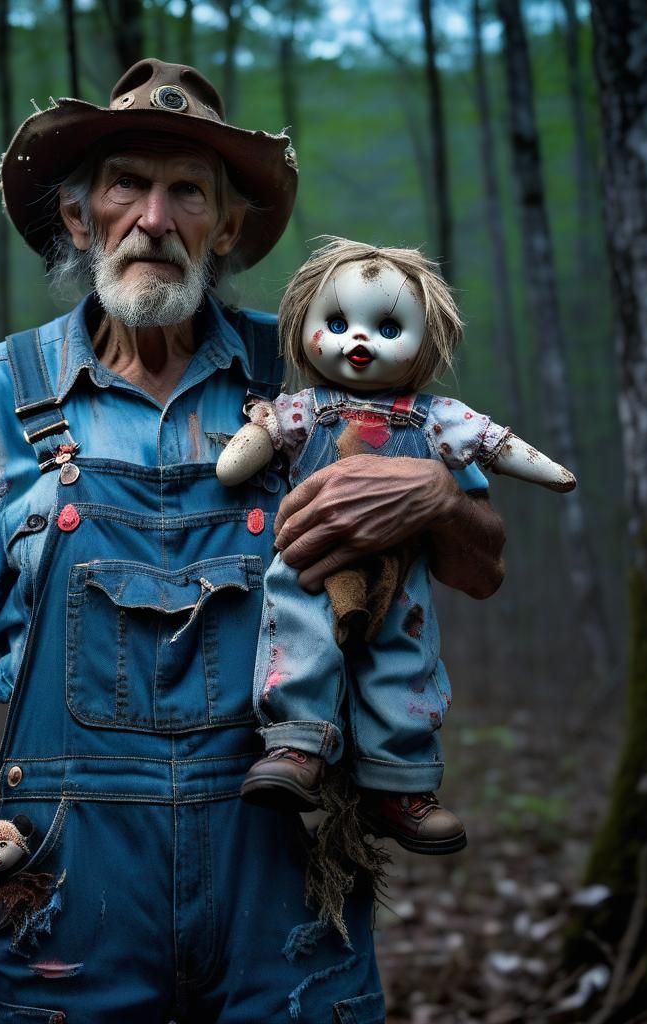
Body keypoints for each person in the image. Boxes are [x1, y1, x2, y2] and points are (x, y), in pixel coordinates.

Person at [0, 59, 506, 1024]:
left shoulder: (314, 381)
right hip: (62, 907)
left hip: (284, 894)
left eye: (186, 191)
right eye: (126, 184)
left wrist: (437, 494)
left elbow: (481, 566)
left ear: (226, 228)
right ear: (80, 218)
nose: (154, 219)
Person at [217, 237, 574, 855]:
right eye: (337, 323)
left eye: (386, 327)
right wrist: (243, 448)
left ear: (426, 338)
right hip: (309, 561)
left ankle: (400, 784)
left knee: (403, 663)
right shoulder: (306, 408)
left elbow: (493, 444)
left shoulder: (435, 418)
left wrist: (550, 472)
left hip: (400, 574)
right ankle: (296, 745)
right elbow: (261, 439)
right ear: (304, 324)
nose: (359, 341)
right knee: (299, 634)